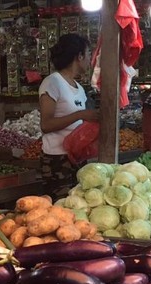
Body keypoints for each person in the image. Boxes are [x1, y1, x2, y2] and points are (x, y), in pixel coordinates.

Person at [38, 33, 98, 197]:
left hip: (77, 158)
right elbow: (46, 124)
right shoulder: (53, 82)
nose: (89, 59)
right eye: (88, 54)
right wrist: (80, 114)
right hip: (57, 160)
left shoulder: (79, 88)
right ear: (79, 56)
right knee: (60, 209)